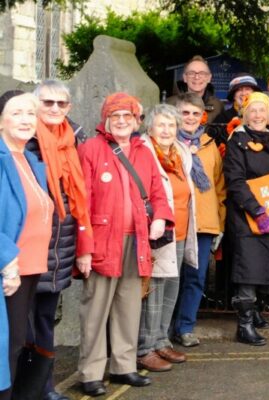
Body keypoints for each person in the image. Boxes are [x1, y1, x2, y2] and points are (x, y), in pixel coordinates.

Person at [76, 93, 174, 396]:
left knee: (128, 306)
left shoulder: (143, 151)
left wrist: (161, 217)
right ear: (105, 120)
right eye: (115, 116)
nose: (121, 121)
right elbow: (82, 201)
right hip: (103, 240)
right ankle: (91, 373)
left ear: (136, 120)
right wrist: (84, 248)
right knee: (96, 310)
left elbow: (157, 192)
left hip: (137, 239)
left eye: (127, 116)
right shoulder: (90, 149)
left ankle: (124, 366)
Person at [11, 80, 91, 400]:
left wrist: (82, 249)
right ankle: (21, 390)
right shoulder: (24, 143)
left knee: (45, 322)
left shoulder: (73, 141)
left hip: (59, 249)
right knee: (21, 329)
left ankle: (44, 387)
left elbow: (78, 201)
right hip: (28, 250)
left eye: (62, 103)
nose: (55, 108)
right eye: (47, 103)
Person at [224, 92, 269, 346]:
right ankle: (244, 326)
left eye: (262, 110)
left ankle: (254, 312)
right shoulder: (237, 140)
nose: (257, 115)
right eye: (252, 110)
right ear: (244, 114)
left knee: (267, 265)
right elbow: (235, 181)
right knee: (249, 269)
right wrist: (257, 211)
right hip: (247, 214)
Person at [136, 104, 198, 372]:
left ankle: (161, 340)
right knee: (154, 290)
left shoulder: (180, 152)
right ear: (149, 127)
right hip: (157, 232)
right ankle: (145, 347)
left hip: (180, 231)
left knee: (171, 288)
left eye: (171, 125)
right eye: (160, 125)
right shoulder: (143, 152)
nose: (166, 130)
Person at [0, 92, 45, 400]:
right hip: (11, 269)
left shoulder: (29, 158)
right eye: (16, 113)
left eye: (30, 113)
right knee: (7, 347)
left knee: (16, 345)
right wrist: (7, 262)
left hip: (31, 267)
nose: (26, 119)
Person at [172, 93, 227, 348]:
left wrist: (219, 223)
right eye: (185, 112)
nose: (191, 118)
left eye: (195, 113)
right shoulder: (166, 142)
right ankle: (163, 329)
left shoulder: (209, 145)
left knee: (195, 278)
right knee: (170, 278)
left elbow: (219, 187)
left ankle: (185, 327)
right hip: (176, 221)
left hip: (204, 222)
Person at [166, 55, 224, 123]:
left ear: (209, 78)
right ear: (185, 77)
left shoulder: (217, 105)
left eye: (202, 73)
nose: (196, 77)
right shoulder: (169, 104)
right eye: (191, 73)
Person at [210, 73, 261, 145]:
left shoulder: (263, 116)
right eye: (239, 90)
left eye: (247, 89)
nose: (243, 93)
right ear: (233, 95)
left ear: (255, 93)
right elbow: (215, 143)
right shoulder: (222, 118)